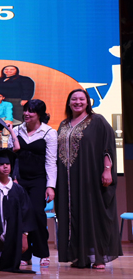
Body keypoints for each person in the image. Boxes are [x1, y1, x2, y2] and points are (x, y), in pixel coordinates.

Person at [55, 89, 120, 269]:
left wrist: (107, 170)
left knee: (93, 213)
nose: (77, 102)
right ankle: (79, 256)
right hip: (68, 180)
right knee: (72, 214)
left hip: (90, 176)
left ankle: (98, 257)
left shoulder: (97, 120)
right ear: (69, 102)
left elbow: (108, 146)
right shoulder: (64, 124)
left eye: (81, 99)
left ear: (87, 102)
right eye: (74, 99)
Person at [13, 99, 57, 267]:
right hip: (19, 179)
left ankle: (43, 253)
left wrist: (50, 186)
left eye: (31, 111)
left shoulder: (49, 132)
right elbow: (11, 157)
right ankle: (24, 254)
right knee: (21, 215)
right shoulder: (16, 130)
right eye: (25, 110)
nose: (26, 113)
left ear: (39, 114)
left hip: (39, 179)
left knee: (37, 213)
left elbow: (51, 161)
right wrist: (12, 178)